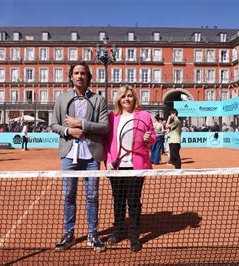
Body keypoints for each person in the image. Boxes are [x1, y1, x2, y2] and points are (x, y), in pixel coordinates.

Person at [50, 61, 108, 252]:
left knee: (92, 196)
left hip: (91, 156)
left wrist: (82, 124)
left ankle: (93, 234)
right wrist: (68, 130)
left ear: (88, 77)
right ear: (71, 76)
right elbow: (54, 125)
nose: (80, 76)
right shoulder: (62, 98)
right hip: (68, 155)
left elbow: (104, 127)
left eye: (83, 73)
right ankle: (69, 233)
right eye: (76, 73)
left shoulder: (99, 100)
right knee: (68, 195)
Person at [105, 85, 156, 252]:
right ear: (119, 99)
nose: (126, 99)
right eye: (123, 96)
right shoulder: (112, 117)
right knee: (118, 201)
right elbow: (107, 141)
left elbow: (153, 138)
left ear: (135, 98)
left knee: (133, 203)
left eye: (130, 96)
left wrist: (149, 138)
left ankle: (134, 236)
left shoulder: (145, 115)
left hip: (137, 166)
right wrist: (108, 160)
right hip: (117, 166)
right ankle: (118, 231)